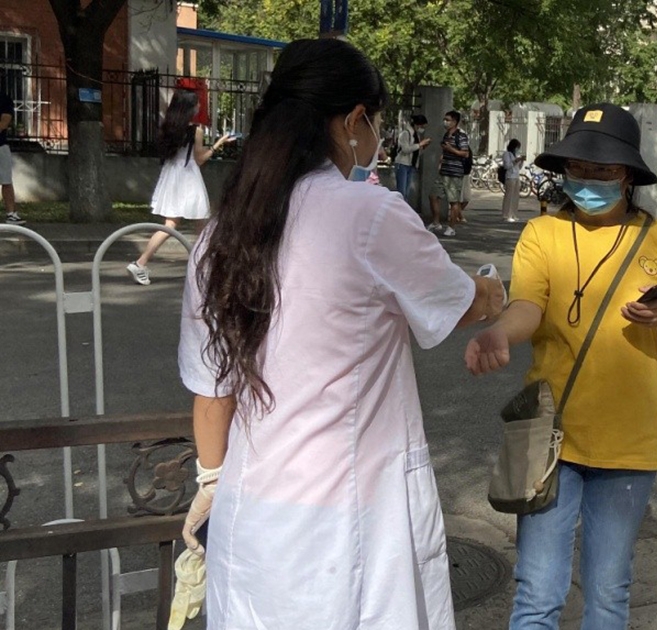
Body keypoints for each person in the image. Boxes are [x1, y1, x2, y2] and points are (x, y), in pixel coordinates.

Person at [176, 38, 504, 629]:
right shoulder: (369, 214)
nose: (377, 137)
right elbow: (461, 305)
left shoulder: (219, 237)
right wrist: (493, 288)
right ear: (354, 120)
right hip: (347, 513)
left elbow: (212, 392)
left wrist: (211, 481)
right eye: (376, 122)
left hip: (251, 512)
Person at [464, 103, 657, 630]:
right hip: (549, 435)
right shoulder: (541, 233)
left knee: (608, 592)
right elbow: (528, 306)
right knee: (537, 593)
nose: (589, 179)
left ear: (628, 175)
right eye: (579, 168)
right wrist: (500, 332)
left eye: (604, 170)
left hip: (630, 441)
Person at [127, 90, 231, 285]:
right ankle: (205, 268)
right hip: (188, 177)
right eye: (197, 103)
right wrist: (218, 144)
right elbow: (199, 159)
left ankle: (141, 263)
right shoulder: (195, 131)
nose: (199, 106)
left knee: (170, 225)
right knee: (202, 224)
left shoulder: (169, 128)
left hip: (172, 176)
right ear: (189, 107)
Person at [427, 110, 469, 237]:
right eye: (444, 120)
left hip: (454, 173)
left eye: (448, 120)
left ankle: (451, 227)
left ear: (455, 122)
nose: (445, 122)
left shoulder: (461, 136)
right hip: (443, 171)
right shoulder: (446, 135)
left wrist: (451, 149)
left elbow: (465, 153)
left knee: (453, 201)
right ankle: (436, 222)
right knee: (433, 195)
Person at [394, 114, 430, 208]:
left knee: (407, 192)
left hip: (411, 165)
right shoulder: (405, 133)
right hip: (402, 164)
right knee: (401, 191)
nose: (422, 129)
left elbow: (415, 152)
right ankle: (399, 209)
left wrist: (422, 147)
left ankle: (404, 209)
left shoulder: (416, 135)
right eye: (422, 126)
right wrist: (420, 144)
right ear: (417, 124)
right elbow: (405, 149)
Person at [0, 88, 23, 225]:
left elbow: (4, 122)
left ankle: (11, 214)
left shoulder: (3, 99)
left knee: (6, 180)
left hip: (0, 146)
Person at [501, 138, 526, 222]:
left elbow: (519, 167)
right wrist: (515, 161)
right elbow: (507, 166)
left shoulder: (516, 155)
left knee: (515, 197)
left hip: (516, 177)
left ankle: (513, 214)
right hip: (510, 177)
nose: (517, 149)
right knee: (509, 196)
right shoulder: (506, 154)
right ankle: (506, 215)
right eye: (517, 147)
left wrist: (521, 161)